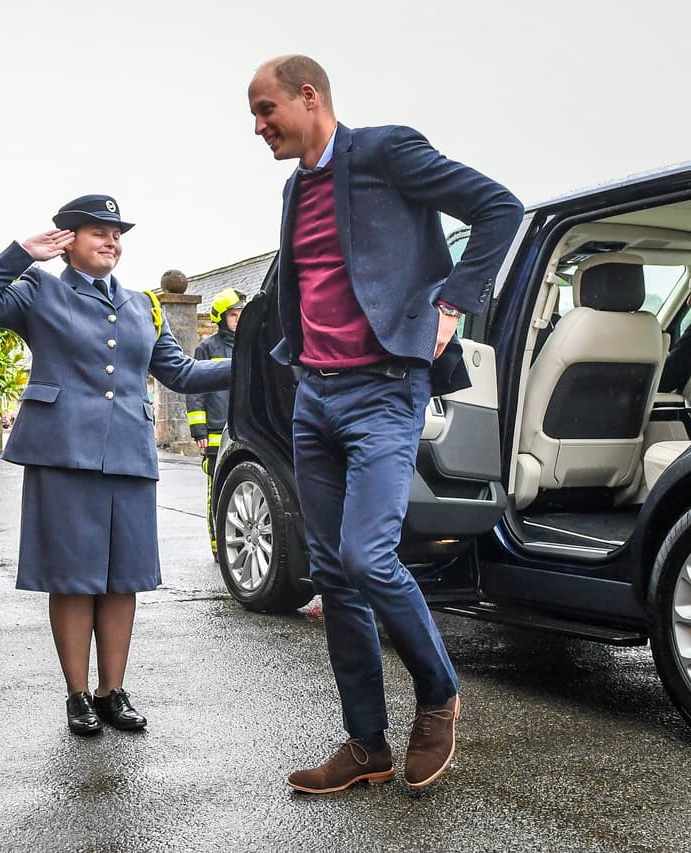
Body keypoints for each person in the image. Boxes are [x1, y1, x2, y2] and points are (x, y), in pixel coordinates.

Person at [247, 55, 523, 791]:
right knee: (334, 570)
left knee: (370, 557)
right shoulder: (294, 186)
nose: (258, 126)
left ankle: (438, 694)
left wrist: (453, 299)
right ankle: (365, 742)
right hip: (316, 397)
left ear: (309, 97)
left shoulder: (386, 151)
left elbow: (500, 206)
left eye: (266, 109)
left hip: (384, 391)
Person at [0, 195, 231, 735]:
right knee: (74, 577)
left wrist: (256, 363)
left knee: (122, 577)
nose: (112, 241)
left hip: (128, 453)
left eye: (117, 233)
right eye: (98, 232)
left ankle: (112, 691)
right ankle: (77, 693)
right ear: (68, 241)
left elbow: (180, 373)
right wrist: (22, 254)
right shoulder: (40, 290)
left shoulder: (142, 305)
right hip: (62, 452)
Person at [186, 287, 245, 556]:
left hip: (244, 426)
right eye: (233, 315)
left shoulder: (250, 345)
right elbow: (196, 388)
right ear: (221, 318)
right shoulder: (207, 348)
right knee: (217, 491)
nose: (239, 319)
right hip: (214, 432)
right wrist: (198, 428)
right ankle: (218, 547)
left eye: (242, 314)